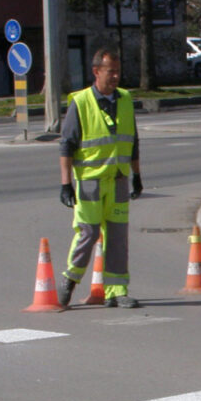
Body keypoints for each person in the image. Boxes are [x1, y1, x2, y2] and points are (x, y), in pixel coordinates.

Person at [57, 47, 143, 309]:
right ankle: (69, 281)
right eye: (110, 71)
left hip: (118, 179)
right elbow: (66, 145)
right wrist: (65, 183)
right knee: (88, 233)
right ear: (96, 72)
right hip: (90, 182)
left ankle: (117, 290)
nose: (115, 76)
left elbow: (133, 142)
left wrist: (137, 175)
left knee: (117, 236)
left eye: (118, 71)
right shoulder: (81, 102)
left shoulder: (125, 99)